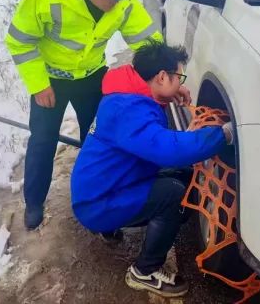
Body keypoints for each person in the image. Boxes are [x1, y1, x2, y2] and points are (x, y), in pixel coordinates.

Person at [4, 0, 189, 230]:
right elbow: (19, 40)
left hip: (91, 76)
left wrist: (170, 81)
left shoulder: (121, 0)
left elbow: (149, 44)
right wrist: (39, 84)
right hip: (50, 79)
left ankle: (103, 201)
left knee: (99, 137)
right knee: (43, 140)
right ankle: (35, 201)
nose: (117, 3)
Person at [70, 40, 232, 298]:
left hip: (100, 187)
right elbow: (170, 149)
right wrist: (222, 135)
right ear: (161, 76)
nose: (181, 82)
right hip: (97, 203)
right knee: (173, 194)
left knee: (182, 176)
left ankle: (110, 226)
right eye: (179, 77)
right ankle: (144, 271)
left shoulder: (126, 94)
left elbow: (150, 136)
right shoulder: (129, 111)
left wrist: (166, 97)